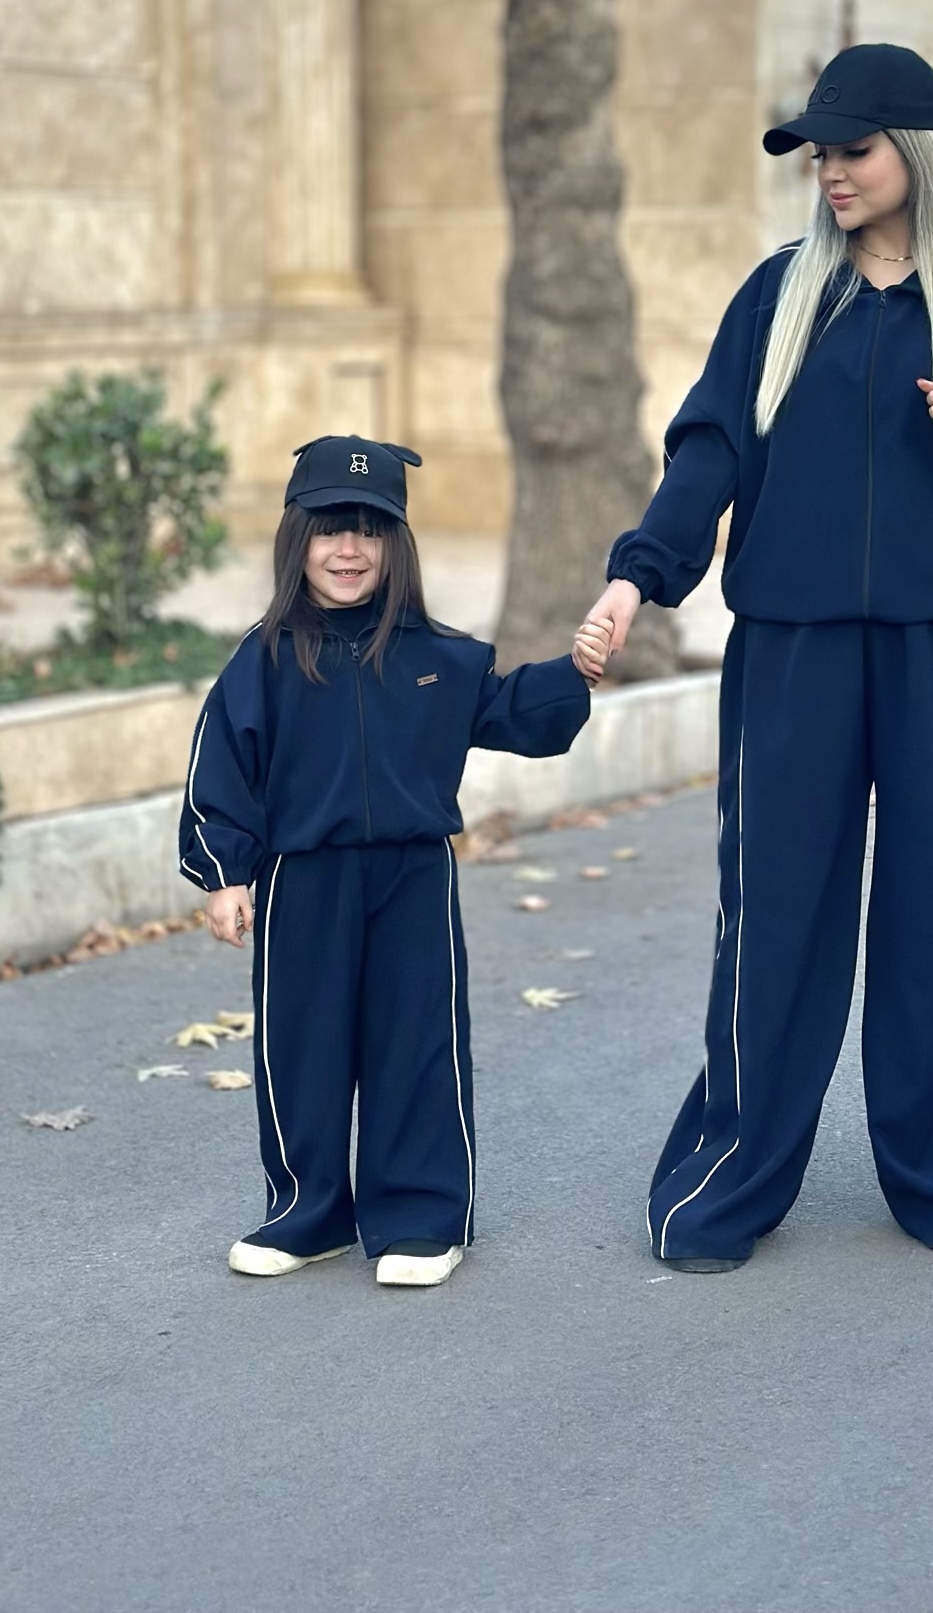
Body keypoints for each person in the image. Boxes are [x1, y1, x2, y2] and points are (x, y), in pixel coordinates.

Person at [580, 44, 933, 1272]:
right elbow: (710, 449)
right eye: (819, 155)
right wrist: (635, 576)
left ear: (915, 153)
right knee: (774, 910)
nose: (831, 174)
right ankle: (728, 1177)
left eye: (853, 151)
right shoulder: (778, 295)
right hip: (794, 643)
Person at [180, 434, 612, 1290]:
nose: (349, 550)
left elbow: (512, 712)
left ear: (397, 545)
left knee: (416, 1041)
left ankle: (420, 1217)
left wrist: (574, 672)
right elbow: (222, 769)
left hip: (414, 878)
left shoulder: (440, 659)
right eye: (329, 529)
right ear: (296, 539)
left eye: (370, 530)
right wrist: (224, 873)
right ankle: (307, 1213)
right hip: (304, 881)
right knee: (302, 1048)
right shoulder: (262, 661)